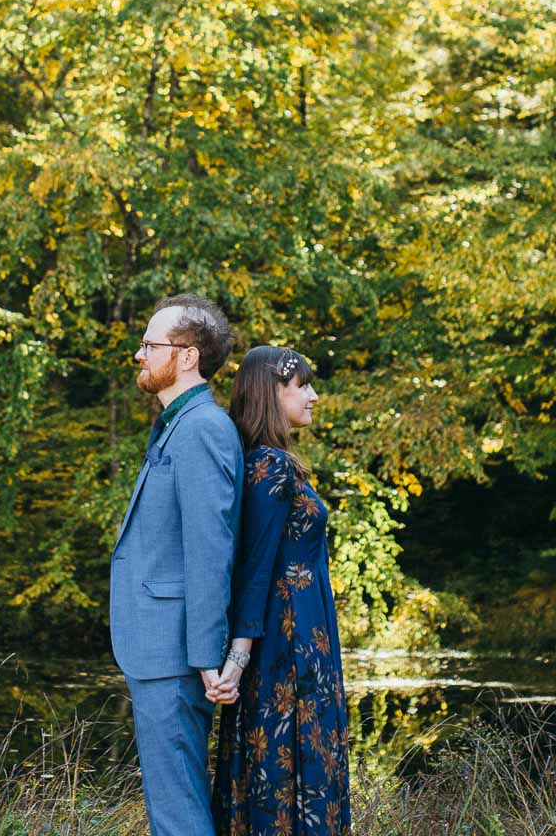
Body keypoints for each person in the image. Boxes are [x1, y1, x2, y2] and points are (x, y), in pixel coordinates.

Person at [110, 293, 245, 836]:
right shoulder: (175, 424)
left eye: (150, 344)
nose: (140, 354)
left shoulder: (202, 429)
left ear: (187, 355)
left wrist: (208, 653)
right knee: (175, 808)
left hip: (175, 653)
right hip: (160, 647)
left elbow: (210, 548)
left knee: (178, 814)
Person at [207, 346, 351, 836]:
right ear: (273, 391)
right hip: (288, 652)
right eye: (302, 385)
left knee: (288, 767)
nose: (313, 395)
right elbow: (255, 567)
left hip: (301, 643)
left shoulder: (270, 462)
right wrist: (239, 657)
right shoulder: (270, 466)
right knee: (287, 768)